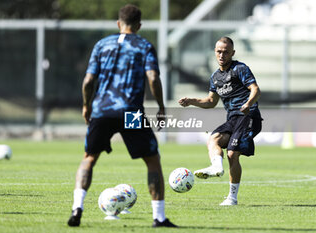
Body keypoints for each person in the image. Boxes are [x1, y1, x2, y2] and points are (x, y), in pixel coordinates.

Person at [68, 4, 177, 228]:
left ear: (119, 23)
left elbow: (88, 81)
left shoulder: (101, 45)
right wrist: (161, 106)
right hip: (131, 112)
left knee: (89, 158)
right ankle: (159, 217)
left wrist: (87, 105)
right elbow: (154, 78)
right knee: (152, 160)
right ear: (139, 25)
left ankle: (77, 207)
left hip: (102, 110)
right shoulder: (144, 46)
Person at [178, 36, 262, 206]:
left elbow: (255, 89)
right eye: (218, 51)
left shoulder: (240, 69)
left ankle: (232, 198)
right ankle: (216, 166)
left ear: (232, 53)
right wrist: (191, 101)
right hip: (233, 118)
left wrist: (248, 103)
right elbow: (211, 102)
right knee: (213, 138)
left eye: (225, 52)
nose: (222, 55)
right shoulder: (215, 77)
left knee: (232, 154)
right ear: (215, 52)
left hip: (248, 116)